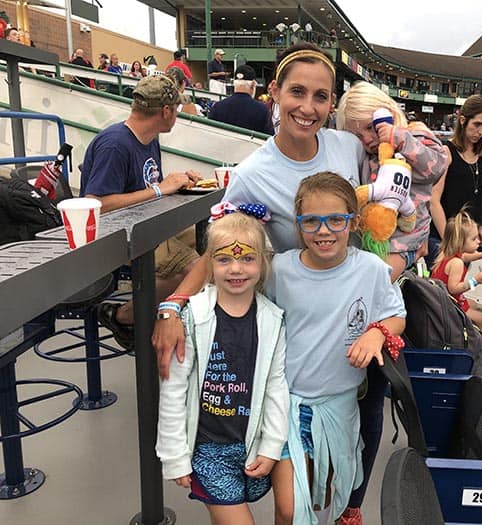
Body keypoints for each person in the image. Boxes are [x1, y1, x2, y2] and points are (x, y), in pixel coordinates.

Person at [150, 42, 367, 525]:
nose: (308, 107)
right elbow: (222, 248)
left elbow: (374, 216)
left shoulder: (349, 148)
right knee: (287, 478)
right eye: (296, 92)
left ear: (333, 103)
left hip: (342, 330)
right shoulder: (252, 175)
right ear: (273, 93)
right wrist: (173, 306)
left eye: (320, 96)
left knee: (325, 475)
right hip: (289, 329)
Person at [268, 171, 406, 525]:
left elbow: (396, 316)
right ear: (298, 225)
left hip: (339, 407)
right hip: (287, 404)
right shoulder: (279, 270)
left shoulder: (371, 270)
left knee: (321, 496)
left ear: (354, 222)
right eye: (311, 221)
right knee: (288, 507)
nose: (324, 231)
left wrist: (376, 332)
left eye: (335, 220)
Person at [156, 212, 289, 525]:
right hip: (208, 450)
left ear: (262, 263)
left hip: (251, 443)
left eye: (247, 259)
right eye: (225, 259)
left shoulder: (272, 320)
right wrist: (176, 458)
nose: (236, 269)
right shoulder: (194, 317)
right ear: (210, 265)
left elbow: (275, 386)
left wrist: (271, 446)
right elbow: (174, 390)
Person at [79, 75, 202, 349]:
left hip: (148, 225)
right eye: (177, 110)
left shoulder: (149, 138)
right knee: (196, 270)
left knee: (216, 243)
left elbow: (147, 187)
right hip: (117, 234)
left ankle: (164, 314)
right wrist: (160, 190)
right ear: (166, 111)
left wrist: (177, 183)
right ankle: (123, 316)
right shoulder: (115, 144)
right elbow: (96, 204)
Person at [335, 80, 448, 281]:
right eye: (357, 136)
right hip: (374, 238)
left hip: (406, 240)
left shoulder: (413, 135)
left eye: (371, 127)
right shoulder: (367, 156)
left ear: (389, 115)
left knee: (375, 282)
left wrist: (399, 138)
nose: (367, 138)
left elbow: (437, 165)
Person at [429, 94, 482, 266]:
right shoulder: (446, 152)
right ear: (463, 121)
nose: (481, 131)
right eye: (477, 124)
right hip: (442, 240)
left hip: (466, 241)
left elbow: (481, 193)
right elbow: (434, 201)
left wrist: (481, 225)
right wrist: (449, 243)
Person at [430, 210, 482, 337]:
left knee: (474, 304)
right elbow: (453, 289)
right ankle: (476, 349)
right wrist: (476, 281)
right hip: (448, 304)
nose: (478, 242)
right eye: (474, 239)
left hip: (441, 299)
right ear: (460, 242)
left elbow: (466, 256)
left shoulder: (448, 253)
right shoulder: (457, 263)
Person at [209, 65, 274, 134]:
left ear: (234, 84)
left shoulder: (218, 107)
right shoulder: (262, 110)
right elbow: (268, 137)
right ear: (252, 85)